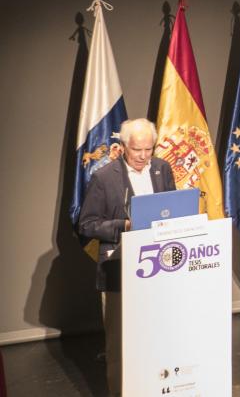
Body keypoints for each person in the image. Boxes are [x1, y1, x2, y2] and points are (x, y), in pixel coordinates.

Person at [78, 117, 176, 397]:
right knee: (122, 344)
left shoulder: (162, 169)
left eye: (149, 149)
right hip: (119, 269)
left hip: (161, 267)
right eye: (137, 151)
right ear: (123, 147)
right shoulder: (104, 177)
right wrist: (124, 225)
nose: (144, 157)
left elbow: (171, 208)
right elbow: (86, 225)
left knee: (160, 336)